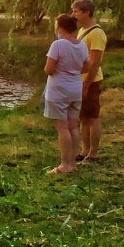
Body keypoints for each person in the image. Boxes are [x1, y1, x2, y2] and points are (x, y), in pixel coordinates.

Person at [44, 13, 91, 174]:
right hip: (75, 89)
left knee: (62, 128)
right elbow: (86, 67)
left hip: (58, 91)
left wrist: (60, 70)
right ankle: (72, 163)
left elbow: (49, 69)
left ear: (60, 27)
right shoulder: (82, 45)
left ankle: (64, 165)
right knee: (73, 127)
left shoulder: (57, 45)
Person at [71, 0, 106, 162]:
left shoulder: (97, 33)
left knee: (93, 116)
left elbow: (96, 61)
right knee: (83, 117)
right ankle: (84, 150)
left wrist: (86, 84)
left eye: (75, 11)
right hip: (81, 80)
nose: (73, 15)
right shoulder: (82, 30)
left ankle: (94, 153)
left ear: (86, 12)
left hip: (90, 81)